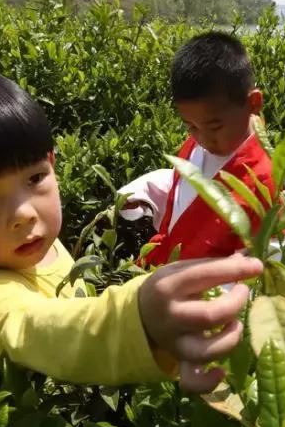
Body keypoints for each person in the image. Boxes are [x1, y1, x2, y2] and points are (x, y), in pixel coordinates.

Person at [0, 63, 263, 394]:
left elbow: (77, 307)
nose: (24, 213)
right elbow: (33, 330)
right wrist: (138, 320)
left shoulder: (35, 247)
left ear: (52, 163)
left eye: (34, 179)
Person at [117, 31, 276, 265]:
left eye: (215, 126)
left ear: (253, 103)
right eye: (191, 126)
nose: (203, 139)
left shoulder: (264, 183)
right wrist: (145, 194)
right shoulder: (199, 142)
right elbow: (184, 191)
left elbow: (260, 265)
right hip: (163, 268)